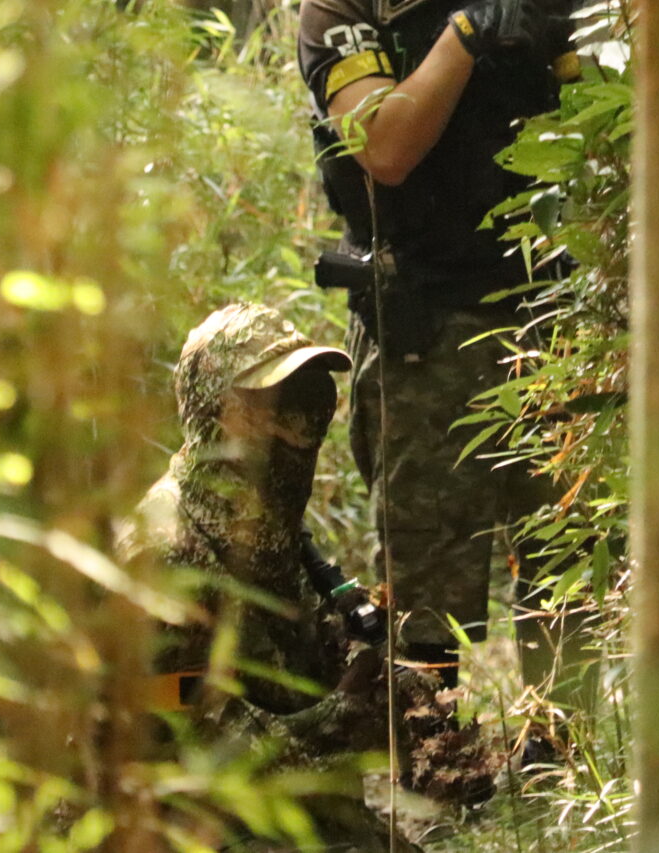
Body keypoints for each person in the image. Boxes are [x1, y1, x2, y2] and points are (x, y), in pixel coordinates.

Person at [296, 0, 578, 699]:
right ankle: (428, 778)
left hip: (551, 328)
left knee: (571, 596)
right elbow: (385, 146)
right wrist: (467, 35)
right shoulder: (345, 2)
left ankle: (564, 770)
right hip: (428, 343)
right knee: (426, 622)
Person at [120, 303, 494, 851]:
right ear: (215, 412)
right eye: (271, 402)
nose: (299, 421)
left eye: (308, 395)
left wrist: (405, 703)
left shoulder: (271, 536)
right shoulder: (161, 558)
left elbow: (307, 661)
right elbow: (185, 755)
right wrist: (345, 717)